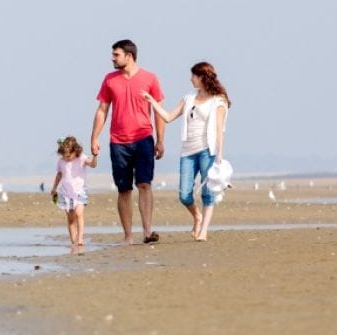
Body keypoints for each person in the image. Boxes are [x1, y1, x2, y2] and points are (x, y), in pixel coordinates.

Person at [142, 60, 231, 241]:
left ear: (202, 77)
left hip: (208, 150)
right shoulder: (188, 98)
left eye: (193, 76)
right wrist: (152, 101)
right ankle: (197, 216)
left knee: (208, 192)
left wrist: (219, 155)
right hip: (188, 152)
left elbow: (219, 130)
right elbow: (168, 117)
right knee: (184, 194)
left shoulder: (218, 100)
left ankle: (203, 231)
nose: (191, 79)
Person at [90, 39, 165, 245]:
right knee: (124, 189)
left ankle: (148, 232)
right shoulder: (109, 80)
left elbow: (158, 112)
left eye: (116, 55)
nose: (112, 58)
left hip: (143, 139)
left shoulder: (150, 78)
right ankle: (128, 236)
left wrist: (160, 140)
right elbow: (102, 110)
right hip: (118, 142)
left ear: (128, 56)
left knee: (144, 184)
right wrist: (94, 138)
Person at [50, 135, 98, 248]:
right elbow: (59, 175)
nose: (66, 158)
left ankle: (80, 239)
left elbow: (93, 165)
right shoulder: (61, 161)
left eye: (68, 156)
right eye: (64, 156)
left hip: (80, 192)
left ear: (75, 150)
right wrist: (54, 188)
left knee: (79, 214)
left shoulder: (81, 158)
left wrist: (95, 156)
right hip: (66, 193)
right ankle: (73, 240)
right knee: (71, 219)